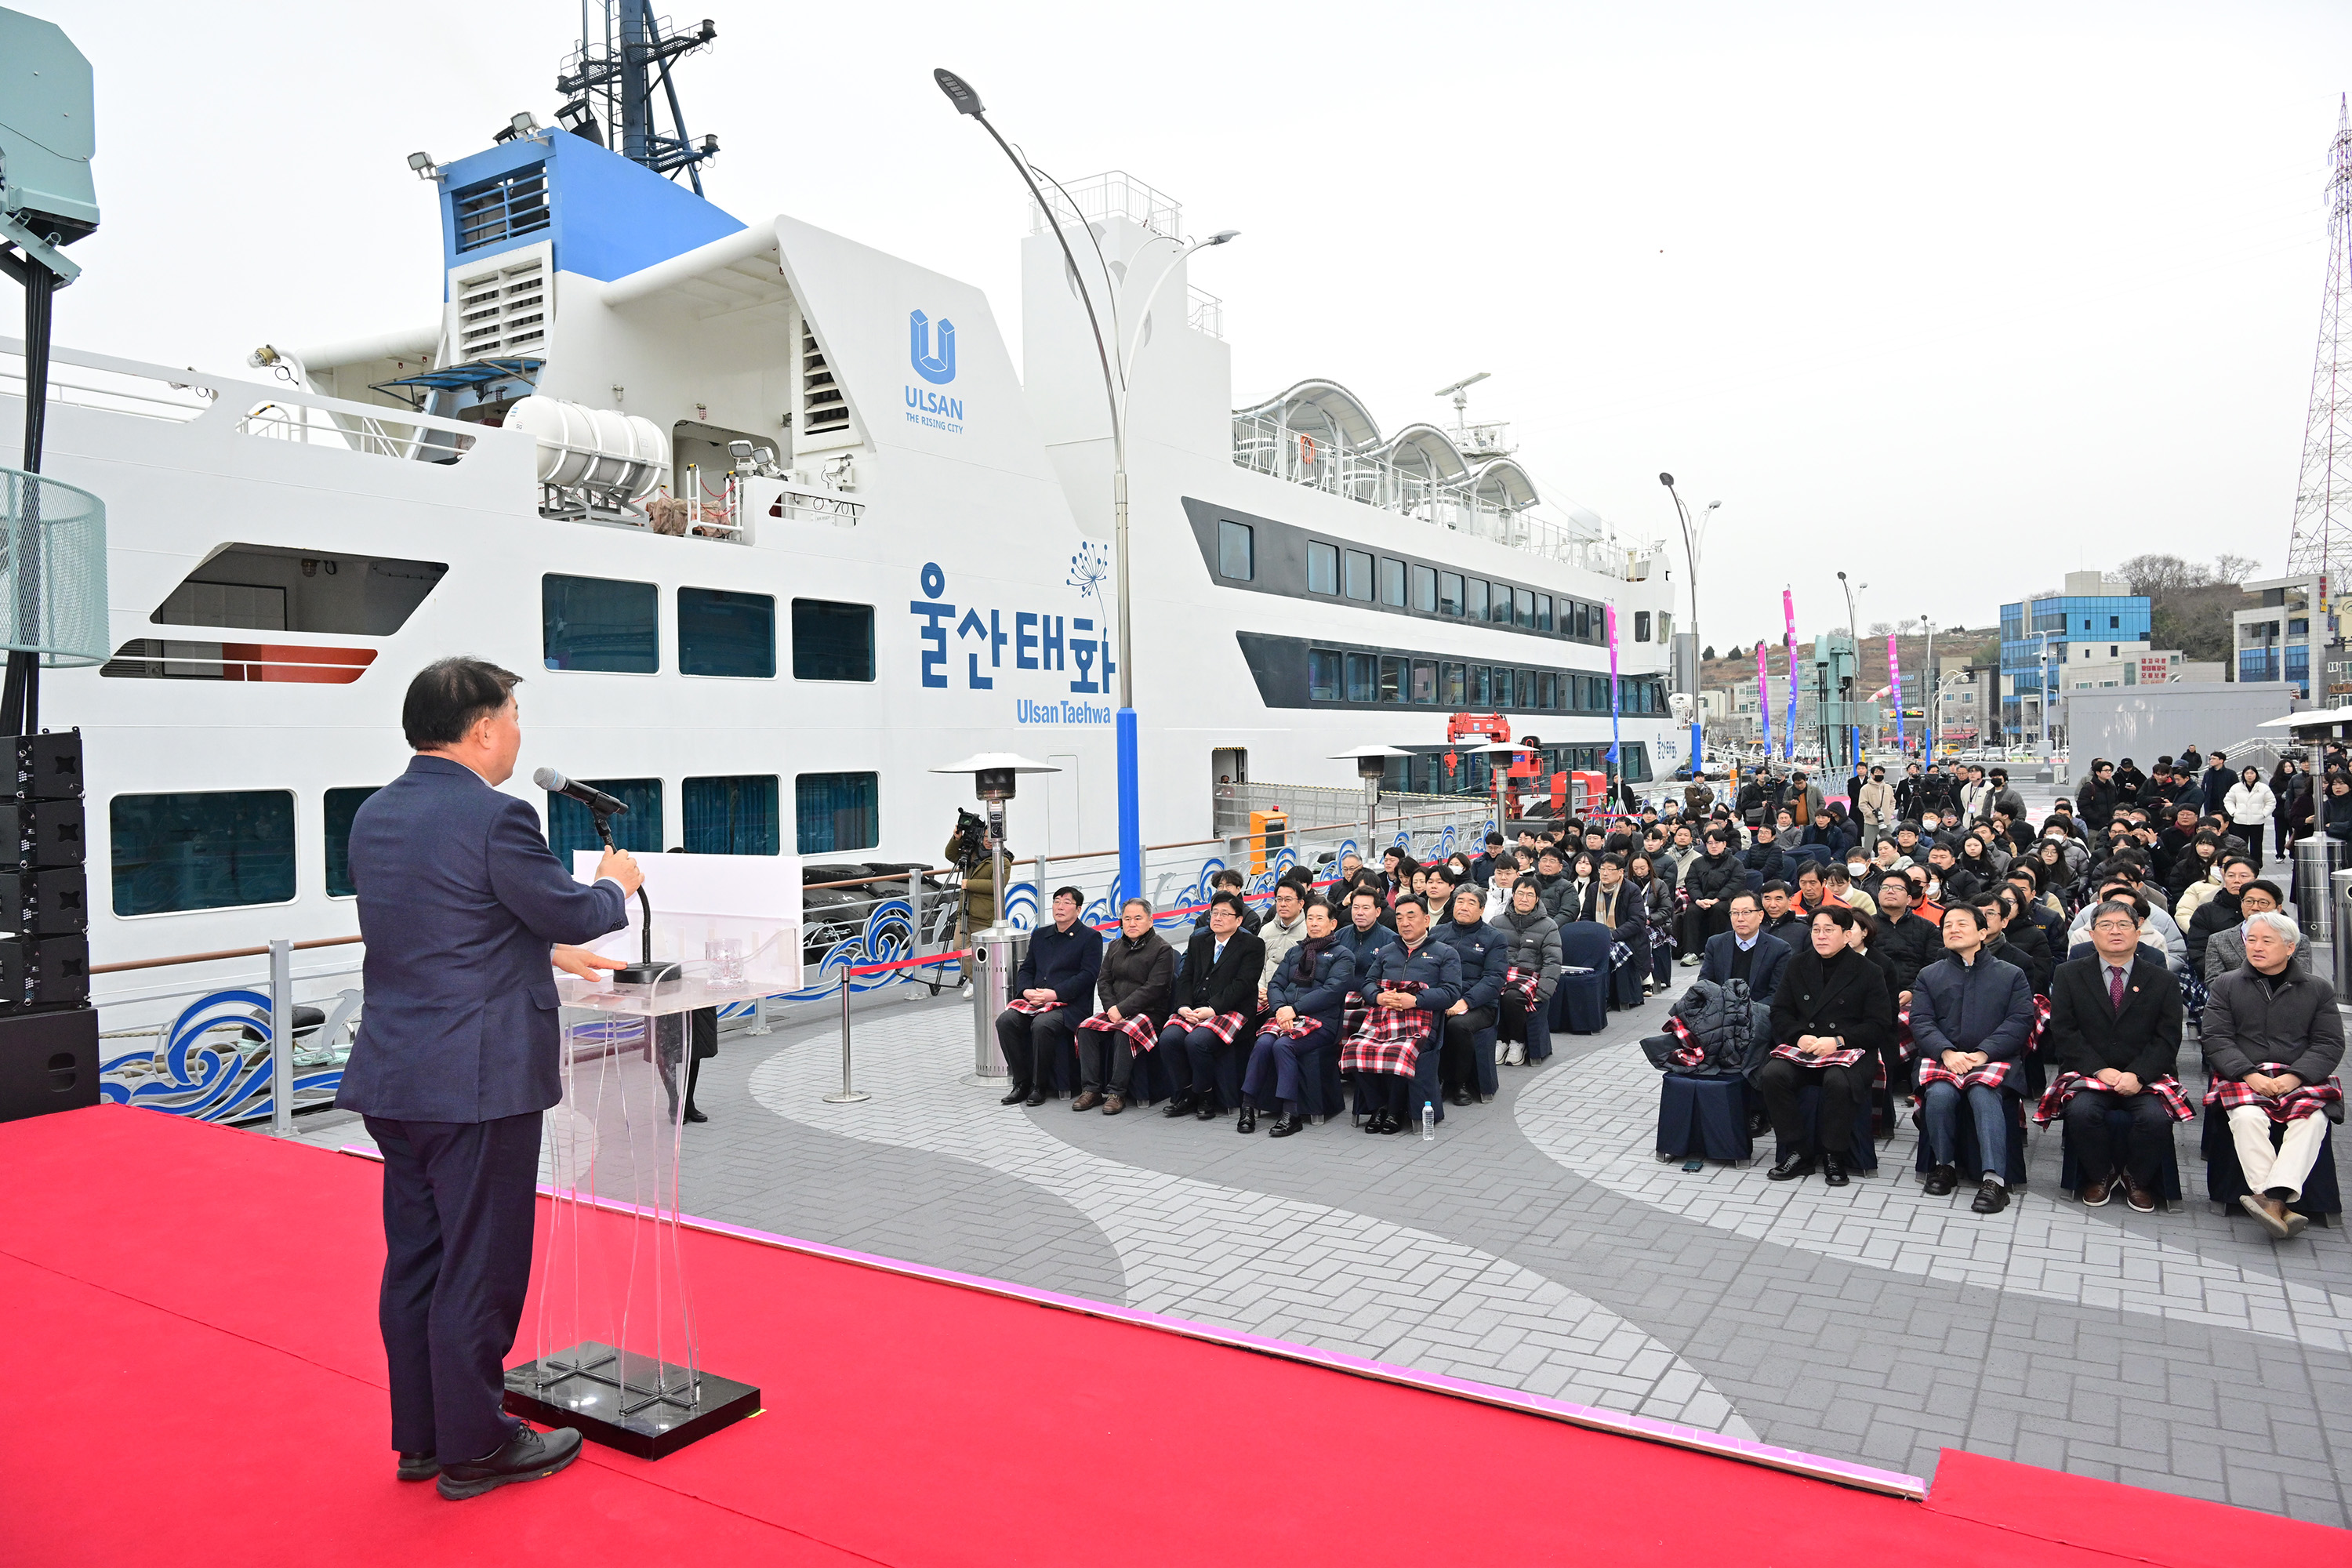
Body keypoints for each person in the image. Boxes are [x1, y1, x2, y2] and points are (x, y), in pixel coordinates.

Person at [337, 656, 638, 1498]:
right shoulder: (496, 816)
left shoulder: (375, 815)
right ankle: (478, 1445)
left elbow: (444, 920)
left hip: (398, 1074)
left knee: (419, 1262)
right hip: (477, 1082)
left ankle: (424, 1437)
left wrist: (538, 949)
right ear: (480, 728)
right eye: (511, 716)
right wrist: (613, 887)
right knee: (482, 1263)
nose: (515, 733)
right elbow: (574, 907)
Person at [2201, 910, 2347, 1239]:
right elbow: (2216, 1038)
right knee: (2247, 1118)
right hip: (2244, 1075)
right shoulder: (2227, 984)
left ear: (2290, 947)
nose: (2256, 947)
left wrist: (2295, 1077)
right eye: (2251, 940)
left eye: (2267, 941)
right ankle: (2277, 1202)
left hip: (2299, 1076)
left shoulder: (2317, 989)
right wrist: (2249, 1075)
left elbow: (2329, 1043)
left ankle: (2272, 1198)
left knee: (2311, 1120)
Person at [2038, 898, 2190, 1210]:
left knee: (2155, 1118)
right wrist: (2097, 1070)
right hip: (2090, 1073)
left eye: (2123, 925)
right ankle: (2102, 1175)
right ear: (2092, 935)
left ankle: (2136, 1178)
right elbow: (2064, 1031)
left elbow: (2168, 1037)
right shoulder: (2069, 974)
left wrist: (2139, 1074)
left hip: (2144, 1075)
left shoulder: (2163, 980)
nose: (2115, 932)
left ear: (2139, 932)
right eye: (2105, 926)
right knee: (2081, 1114)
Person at [1911, 903, 2038, 1213]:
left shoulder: (2011, 974)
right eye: (1947, 924)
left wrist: (1983, 1053)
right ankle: (1945, 1165)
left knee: (1984, 1095)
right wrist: (1946, 1052)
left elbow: (2020, 1020)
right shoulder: (1930, 974)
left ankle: (1995, 1181)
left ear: (1983, 932)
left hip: (1994, 1059)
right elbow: (1921, 1021)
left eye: (1961, 924)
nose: (1952, 929)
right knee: (1939, 1096)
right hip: (1945, 1058)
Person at [1758, 906, 1890, 1186]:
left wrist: (1839, 1041)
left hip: (1850, 1051)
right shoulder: (1798, 964)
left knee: (1838, 1081)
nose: (1821, 936)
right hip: (1806, 1048)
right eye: (1816, 929)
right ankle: (1798, 1150)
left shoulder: (1870, 971)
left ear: (1846, 934)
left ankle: (1834, 1154)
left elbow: (1879, 1024)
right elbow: (1780, 1012)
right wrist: (1798, 1037)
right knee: (1772, 1075)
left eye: (1829, 930)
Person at [1344, 895, 1463, 1135]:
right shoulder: (1388, 950)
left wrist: (1416, 1000)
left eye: (1412, 916)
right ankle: (1379, 1106)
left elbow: (1451, 993)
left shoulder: (1445, 953)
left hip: (1421, 1021)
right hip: (1383, 1017)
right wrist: (1378, 997)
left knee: (1400, 1051)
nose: (1405, 922)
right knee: (1354, 1048)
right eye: (1399, 917)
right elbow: (1368, 982)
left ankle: (1395, 1111)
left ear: (1427, 920)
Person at [1240, 896, 1354, 1136]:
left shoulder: (1343, 955)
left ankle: (1291, 1113)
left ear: (1332, 924)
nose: (1313, 923)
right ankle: (1248, 1106)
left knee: (1284, 1045)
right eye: (1310, 918)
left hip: (1321, 1022)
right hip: (1286, 1016)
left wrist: (1295, 1009)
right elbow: (1276, 984)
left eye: (1319, 918)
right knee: (1262, 1044)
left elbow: (1331, 991)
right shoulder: (1295, 952)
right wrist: (1281, 1008)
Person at [1159, 892, 1267, 1120]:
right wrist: (1183, 1006)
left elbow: (1243, 985)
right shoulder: (1199, 940)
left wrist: (1212, 1009)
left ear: (1238, 920)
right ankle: (1185, 1093)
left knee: (1197, 1041)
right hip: (1196, 1007)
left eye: (1224, 914)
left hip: (1231, 1011)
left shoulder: (1253, 945)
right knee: (1169, 1038)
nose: (1217, 918)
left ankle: (1205, 1094)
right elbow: (1186, 976)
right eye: (1214, 913)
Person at [995, 886, 1104, 1109]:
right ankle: (1021, 1082)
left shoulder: (1090, 937)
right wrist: (1026, 991)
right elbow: (1026, 969)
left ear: (1078, 909)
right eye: (1056, 901)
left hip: (1069, 1005)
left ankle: (1039, 1086)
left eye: (1067, 902)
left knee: (1042, 1025)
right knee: (1005, 1021)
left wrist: (1055, 994)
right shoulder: (1040, 935)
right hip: (1035, 1001)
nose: (1060, 907)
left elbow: (1088, 976)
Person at [1073, 898, 1176, 1114]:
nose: (1132, 923)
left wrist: (1122, 1010)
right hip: (1116, 1010)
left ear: (1150, 920)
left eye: (1138, 918)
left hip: (1148, 1013)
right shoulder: (1114, 946)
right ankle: (1090, 1090)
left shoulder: (1163, 949)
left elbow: (1154, 988)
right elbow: (1104, 981)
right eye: (1127, 919)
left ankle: (1117, 1093)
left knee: (1124, 1032)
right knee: (1085, 1028)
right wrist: (1112, 1008)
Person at [1436, 884, 1510, 1105]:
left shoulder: (1495, 938)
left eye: (1471, 903)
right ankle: (1433, 1079)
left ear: (1482, 909)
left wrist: (1465, 1002)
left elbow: (1494, 979)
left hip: (1480, 1004)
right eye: (1460, 902)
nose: (1464, 907)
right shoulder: (1438, 933)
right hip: (1442, 997)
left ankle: (1459, 1082)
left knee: (1457, 1025)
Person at [1494, 878, 1561, 1067]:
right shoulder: (1497, 921)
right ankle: (1501, 1042)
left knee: (1511, 997)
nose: (1524, 898)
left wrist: (1544, 992)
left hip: (1530, 976)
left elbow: (1553, 961)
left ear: (1537, 898)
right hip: (1501, 972)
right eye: (1520, 894)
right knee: (1492, 992)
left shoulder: (1548, 926)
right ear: (1513, 896)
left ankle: (1517, 1041)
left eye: (1530, 894)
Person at [1698, 889, 1791, 1005]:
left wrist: (1747, 1011)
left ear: (1760, 915)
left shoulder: (1779, 949)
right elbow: (1704, 984)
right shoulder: (1715, 943)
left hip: (1759, 1014)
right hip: (1721, 1013)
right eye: (1735, 913)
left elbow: (1777, 994)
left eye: (1746, 912)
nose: (1740, 919)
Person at [1580, 854, 1650, 1008]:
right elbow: (1586, 915)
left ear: (1620, 872)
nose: (1605, 873)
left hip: (1626, 938)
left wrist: (1612, 935)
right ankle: (1591, 997)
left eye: (1610, 869)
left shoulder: (1631, 890)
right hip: (1599, 937)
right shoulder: (1593, 888)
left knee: (1610, 952)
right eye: (1602, 869)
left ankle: (1606, 998)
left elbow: (1637, 921)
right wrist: (1592, 934)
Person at [2203, 880, 2301, 983]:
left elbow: (2300, 981)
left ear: (2278, 908)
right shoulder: (2218, 940)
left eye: (2263, 903)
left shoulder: (2297, 939)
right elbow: (2214, 983)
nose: (2255, 908)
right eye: (2249, 901)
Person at [943, 808, 1000, 988]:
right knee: (959, 949)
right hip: (965, 910)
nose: (989, 843)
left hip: (985, 914)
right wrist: (957, 839)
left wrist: (970, 884)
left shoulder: (1002, 859)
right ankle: (977, 982)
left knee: (984, 952)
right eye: (985, 838)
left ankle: (987, 983)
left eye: (992, 839)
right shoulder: (972, 855)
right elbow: (951, 855)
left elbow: (997, 885)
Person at [1677, 827, 1743, 964]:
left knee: (1719, 909)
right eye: (1710, 843)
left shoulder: (1735, 863)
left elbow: (1736, 883)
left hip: (1724, 899)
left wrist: (1717, 899)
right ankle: (1691, 952)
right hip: (1702, 899)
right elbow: (1692, 882)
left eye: (1717, 842)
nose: (1714, 846)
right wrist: (1698, 899)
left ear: (1724, 844)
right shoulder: (1697, 863)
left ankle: (1716, 951)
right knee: (1692, 910)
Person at [1255, 880, 1308, 1007]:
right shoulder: (1266, 930)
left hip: (1291, 997)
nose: (1283, 904)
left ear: (1301, 904)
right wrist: (1260, 989)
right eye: (1279, 899)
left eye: (1288, 900)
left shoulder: (1309, 931)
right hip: (1262, 994)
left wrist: (1274, 995)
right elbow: (1257, 964)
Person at [2222, 765, 2277, 874]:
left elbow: (2271, 802)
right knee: (2241, 843)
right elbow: (2228, 800)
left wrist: (2264, 813)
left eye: (2252, 773)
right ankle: (2240, 862)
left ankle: (2256, 864)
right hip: (2240, 820)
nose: (2249, 776)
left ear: (2256, 774)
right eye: (2247, 773)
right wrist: (2234, 812)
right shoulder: (2236, 787)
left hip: (2257, 821)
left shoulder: (2263, 788)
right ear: (2243, 775)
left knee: (2256, 844)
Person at [1857, 764, 1896, 852]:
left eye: (1881, 773)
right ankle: (1867, 862)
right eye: (1877, 772)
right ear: (1872, 774)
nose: (1880, 774)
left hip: (1886, 821)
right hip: (1871, 822)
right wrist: (1870, 814)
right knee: (1868, 846)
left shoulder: (1888, 787)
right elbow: (1862, 804)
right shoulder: (1865, 788)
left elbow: (1893, 802)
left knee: (1891, 843)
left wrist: (1889, 813)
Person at [2077, 760, 2120, 831]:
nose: (2109, 773)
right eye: (2106, 770)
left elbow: (2116, 803)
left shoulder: (2111, 787)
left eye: (2110, 770)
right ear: (2098, 773)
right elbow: (2083, 807)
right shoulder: (2089, 787)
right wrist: (2097, 818)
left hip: (2111, 825)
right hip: (2094, 826)